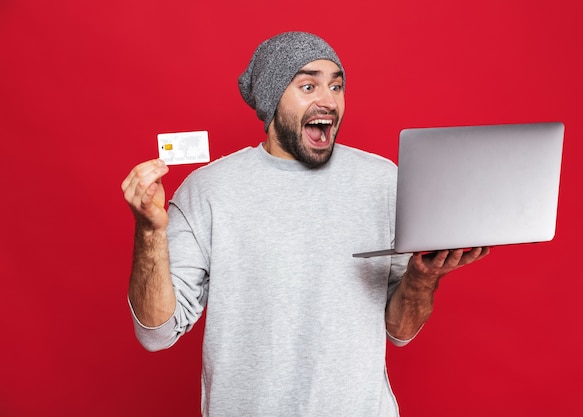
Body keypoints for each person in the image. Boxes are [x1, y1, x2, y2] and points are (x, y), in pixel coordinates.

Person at [121, 31, 489, 416]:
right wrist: (150, 231)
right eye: (308, 85)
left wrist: (422, 276)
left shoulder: (384, 182)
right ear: (272, 99)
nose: (328, 101)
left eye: (336, 85)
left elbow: (399, 330)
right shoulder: (208, 191)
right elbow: (156, 333)